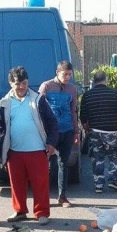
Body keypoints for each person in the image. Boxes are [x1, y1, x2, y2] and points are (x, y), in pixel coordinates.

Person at [0, 66, 59, 225]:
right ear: (11, 83)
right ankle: (19, 211)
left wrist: (51, 143)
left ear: (28, 82)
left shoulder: (38, 100)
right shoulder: (4, 103)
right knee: (16, 185)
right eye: (17, 84)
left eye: (24, 83)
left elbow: (52, 123)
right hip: (15, 152)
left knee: (40, 184)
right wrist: (2, 148)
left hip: (37, 150)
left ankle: (42, 212)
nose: (21, 87)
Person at [39, 61, 79, 208]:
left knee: (64, 163)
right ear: (57, 72)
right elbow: (39, 111)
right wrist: (42, 132)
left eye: (69, 74)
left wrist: (76, 131)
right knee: (48, 164)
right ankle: (44, 198)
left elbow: (74, 111)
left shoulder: (72, 89)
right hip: (51, 132)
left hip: (67, 130)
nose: (67, 77)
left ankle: (62, 197)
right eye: (65, 74)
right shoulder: (47, 86)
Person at [79, 71, 117, 193]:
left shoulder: (87, 96)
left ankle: (98, 184)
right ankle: (113, 180)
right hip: (112, 131)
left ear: (94, 81)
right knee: (113, 157)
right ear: (105, 79)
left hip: (95, 131)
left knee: (97, 158)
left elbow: (83, 116)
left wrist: (87, 128)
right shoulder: (115, 94)